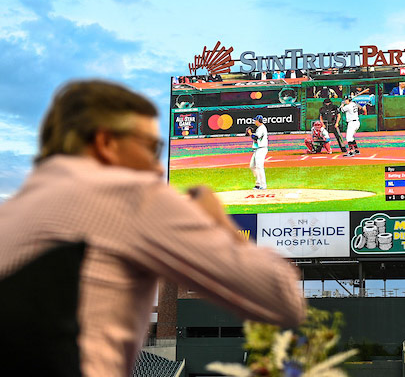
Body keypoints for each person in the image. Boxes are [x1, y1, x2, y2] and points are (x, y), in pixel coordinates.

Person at [0, 81, 305, 377]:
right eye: (150, 147)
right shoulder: (136, 197)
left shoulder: (11, 214)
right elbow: (282, 299)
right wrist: (222, 226)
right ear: (106, 143)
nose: (159, 168)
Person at [247, 115, 269, 189]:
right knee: (252, 166)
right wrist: (251, 134)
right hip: (257, 149)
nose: (254, 122)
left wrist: (250, 133)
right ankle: (258, 183)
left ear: (258, 121)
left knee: (259, 167)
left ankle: (263, 185)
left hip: (261, 149)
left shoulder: (262, 128)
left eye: (255, 120)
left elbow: (256, 137)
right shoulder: (259, 128)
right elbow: (256, 139)